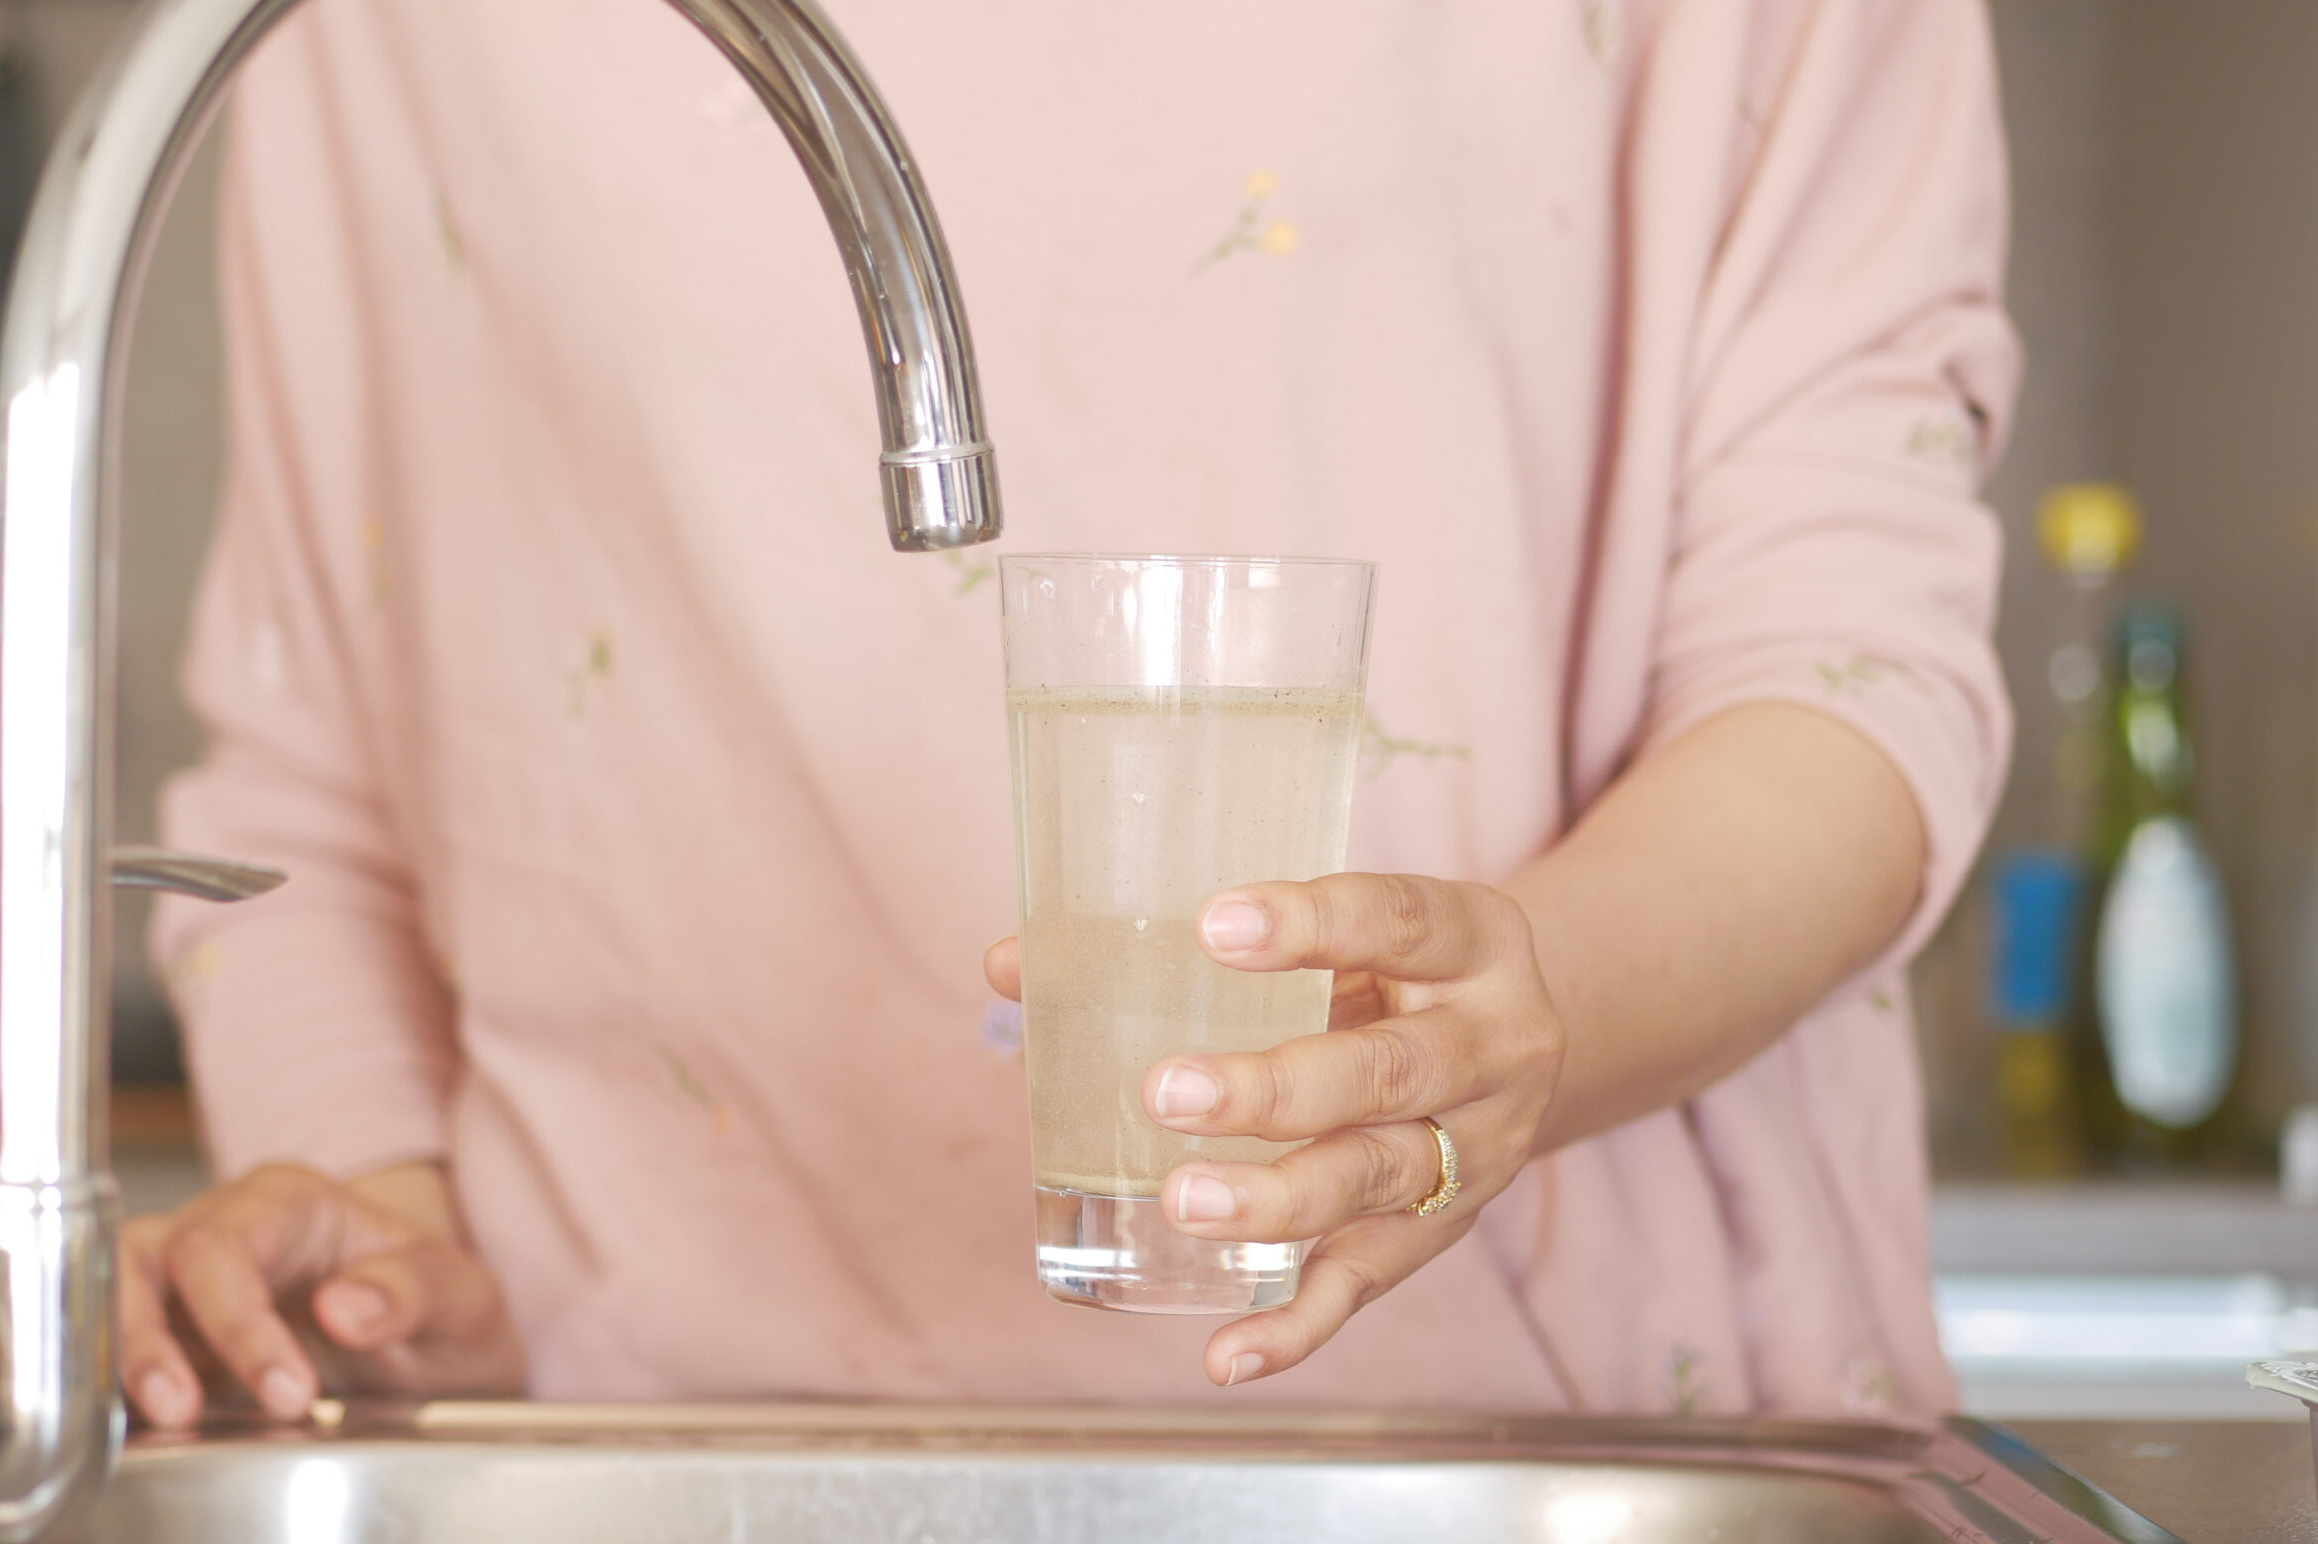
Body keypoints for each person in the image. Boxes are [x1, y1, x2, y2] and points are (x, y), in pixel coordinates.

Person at [118, 0, 2018, 1428]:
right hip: (629, 1470)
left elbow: (1849, 674)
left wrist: (1535, 1009)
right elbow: (315, 758)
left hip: (1562, 1454)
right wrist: (384, 1229)